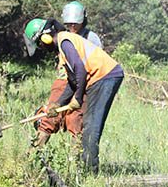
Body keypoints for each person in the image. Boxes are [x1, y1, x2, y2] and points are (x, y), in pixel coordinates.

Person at [24, 17, 123, 172]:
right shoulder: (63, 49)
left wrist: (77, 98)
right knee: (90, 124)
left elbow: (80, 71)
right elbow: (73, 82)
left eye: (40, 44)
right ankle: (86, 168)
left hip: (105, 76)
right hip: (101, 78)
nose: (42, 48)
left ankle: (90, 171)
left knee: (91, 125)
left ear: (45, 37)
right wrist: (59, 103)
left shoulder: (64, 41)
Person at [34, 1, 103, 148]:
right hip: (64, 82)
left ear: (83, 21)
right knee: (49, 118)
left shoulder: (92, 38)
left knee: (75, 120)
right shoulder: (63, 36)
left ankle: (76, 163)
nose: (72, 27)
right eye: (69, 24)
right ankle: (34, 155)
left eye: (75, 24)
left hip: (84, 83)